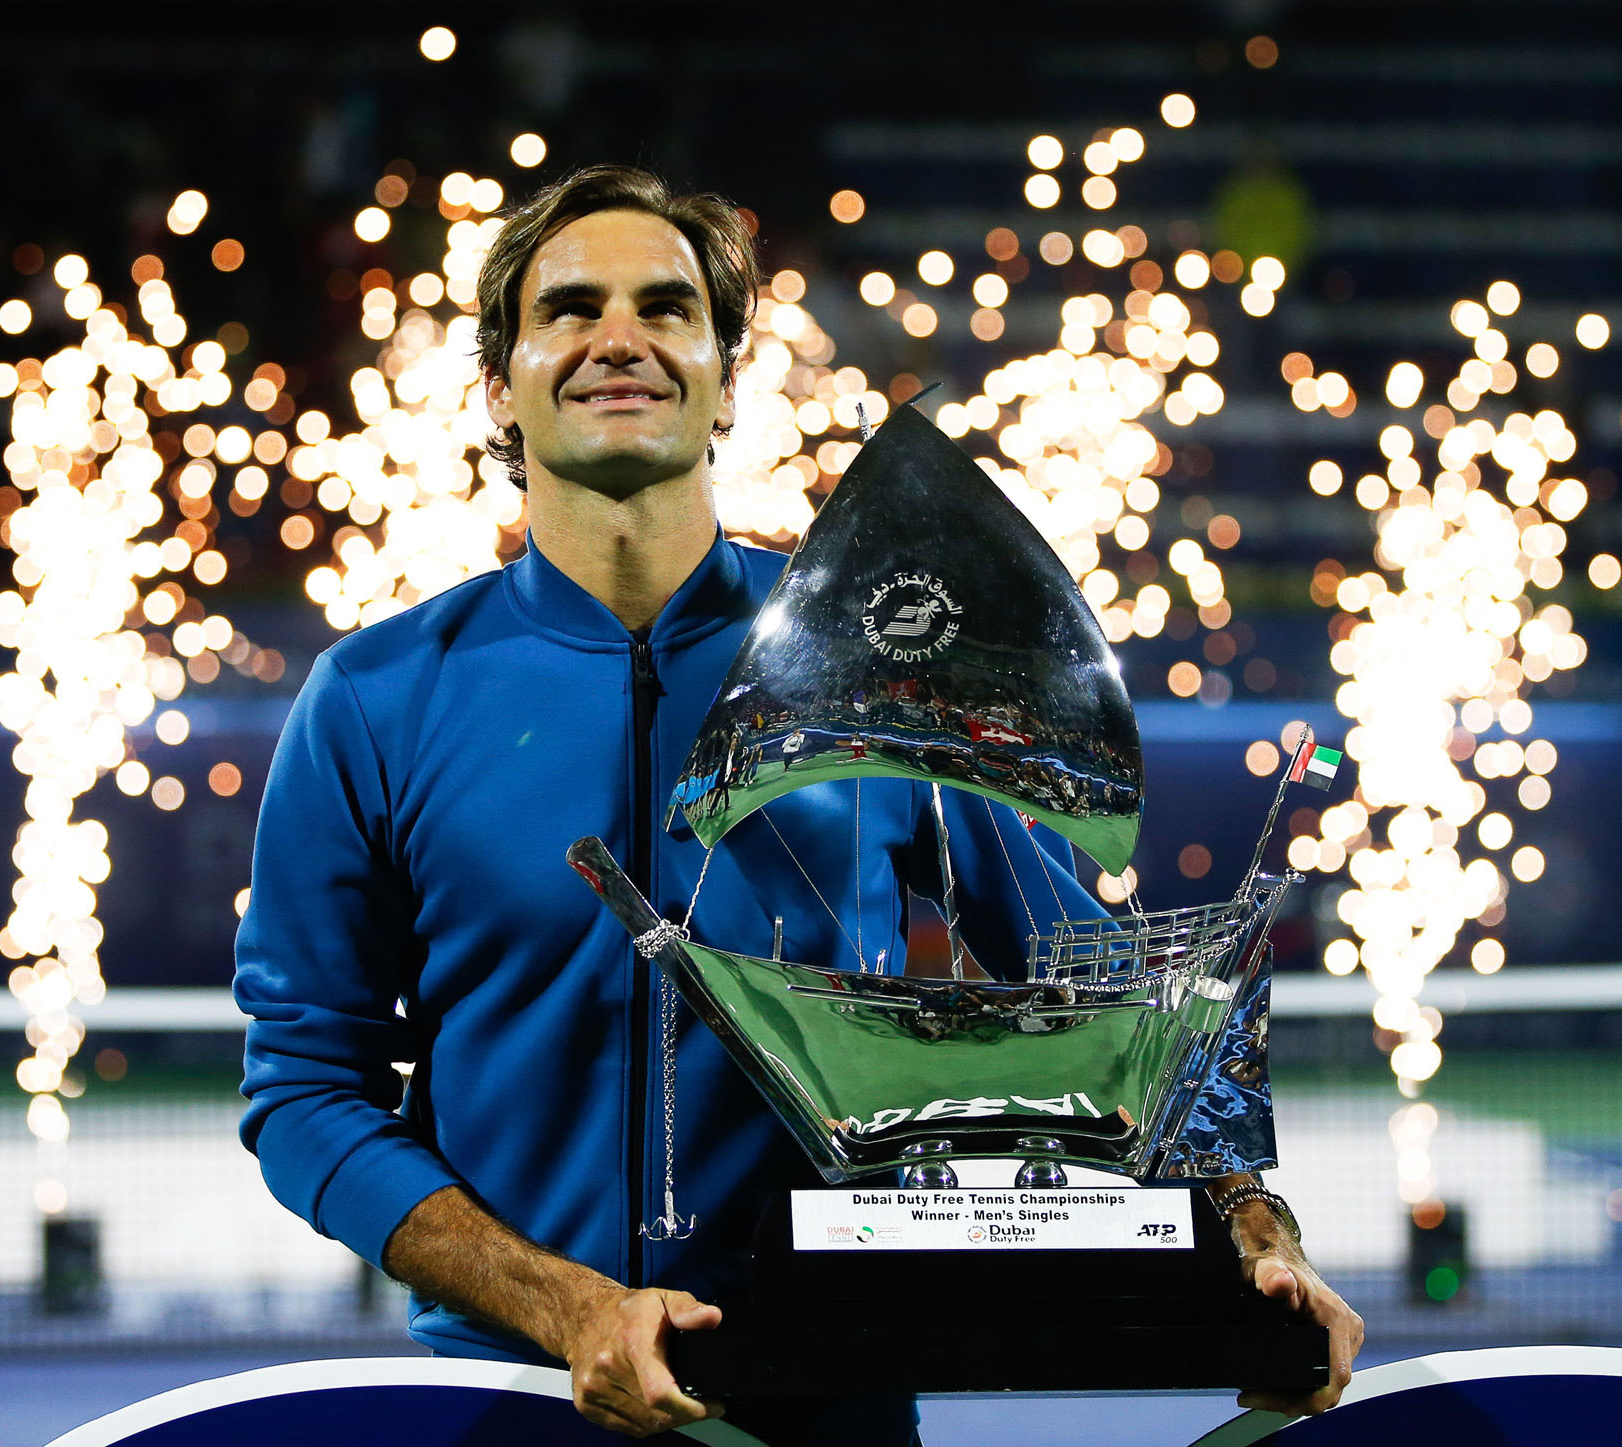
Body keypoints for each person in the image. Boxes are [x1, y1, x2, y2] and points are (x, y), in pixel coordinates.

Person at [235, 164, 1361, 1443]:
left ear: (723, 371)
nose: (621, 338)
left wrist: (1258, 1243)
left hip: (833, 1404)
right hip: (508, 1400)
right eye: (569, 308)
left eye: (667, 308)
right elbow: (303, 1092)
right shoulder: (376, 698)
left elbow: (1119, 1011)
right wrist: (565, 1309)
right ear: (499, 380)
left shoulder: (885, 669)